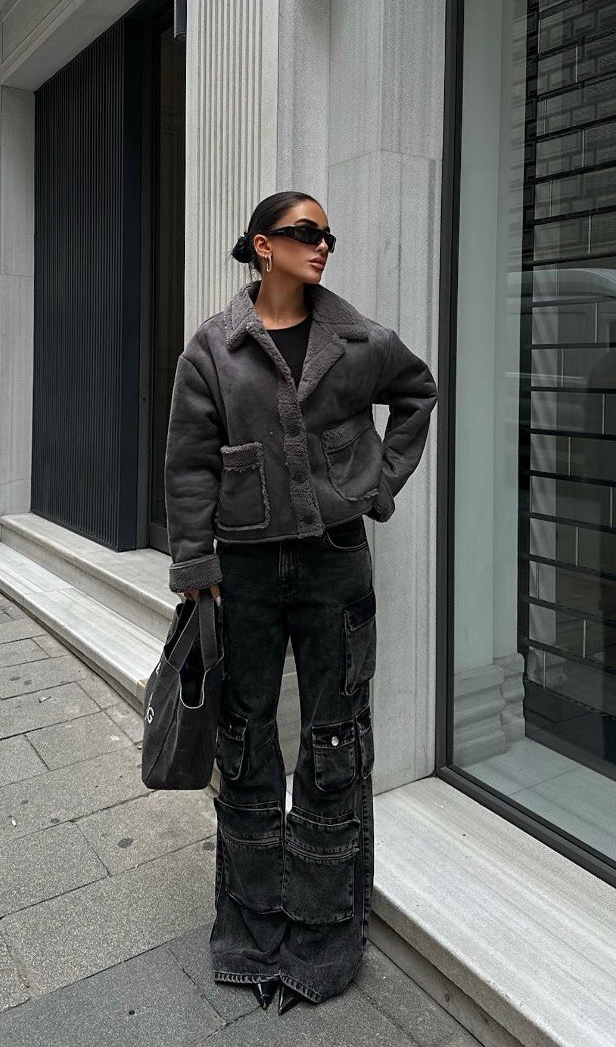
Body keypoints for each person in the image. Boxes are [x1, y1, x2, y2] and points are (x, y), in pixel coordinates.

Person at [163, 190, 437, 1014]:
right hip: (243, 571)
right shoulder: (213, 347)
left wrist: (376, 485)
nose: (321, 246)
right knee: (245, 741)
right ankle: (250, 933)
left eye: (326, 235)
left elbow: (417, 394)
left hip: (333, 564)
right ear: (262, 245)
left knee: (333, 742)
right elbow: (189, 462)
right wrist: (193, 562)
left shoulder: (357, 341)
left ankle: (322, 937)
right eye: (305, 233)